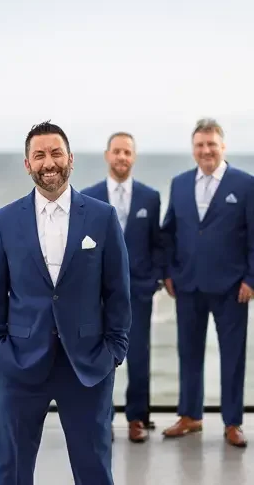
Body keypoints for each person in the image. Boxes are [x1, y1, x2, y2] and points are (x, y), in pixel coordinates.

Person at [0, 121, 131, 485]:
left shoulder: (102, 217)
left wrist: (114, 350)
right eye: (40, 155)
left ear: (71, 159)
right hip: (20, 362)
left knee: (94, 467)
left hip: (87, 364)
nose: (49, 162)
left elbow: (117, 291)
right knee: (13, 470)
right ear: (28, 164)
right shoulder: (3, 221)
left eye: (56, 153)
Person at [160, 118, 254, 447]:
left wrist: (252, 279)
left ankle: (232, 422)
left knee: (232, 356)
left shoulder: (246, 184)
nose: (206, 150)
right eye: (200, 145)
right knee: (188, 354)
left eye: (211, 144)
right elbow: (169, 233)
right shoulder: (180, 184)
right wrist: (168, 273)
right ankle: (190, 416)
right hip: (188, 286)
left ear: (223, 146)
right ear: (193, 149)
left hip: (232, 288)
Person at [81, 131, 163, 443]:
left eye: (127, 152)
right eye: (116, 151)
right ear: (107, 155)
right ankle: (101, 417)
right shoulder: (88, 197)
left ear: (134, 157)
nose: (121, 157)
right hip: (97, 295)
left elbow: (158, 243)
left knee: (139, 357)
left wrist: (153, 279)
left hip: (138, 293)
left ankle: (138, 418)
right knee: (100, 357)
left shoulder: (150, 197)